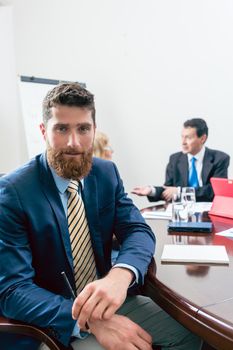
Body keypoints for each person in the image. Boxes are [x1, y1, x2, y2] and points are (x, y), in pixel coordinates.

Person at [0, 83, 202, 350]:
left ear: (93, 130)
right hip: (52, 318)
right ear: (43, 132)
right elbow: (13, 290)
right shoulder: (14, 191)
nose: (74, 142)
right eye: (61, 128)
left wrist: (120, 275)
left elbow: (138, 231)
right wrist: (89, 320)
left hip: (107, 299)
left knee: (190, 334)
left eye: (83, 128)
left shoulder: (106, 173)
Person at [132, 118, 230, 202]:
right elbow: (169, 190)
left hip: (208, 214)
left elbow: (215, 191)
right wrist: (151, 190)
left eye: (188, 138)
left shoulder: (220, 159)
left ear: (203, 138)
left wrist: (180, 191)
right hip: (182, 214)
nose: (183, 142)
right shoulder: (175, 159)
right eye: (182, 137)